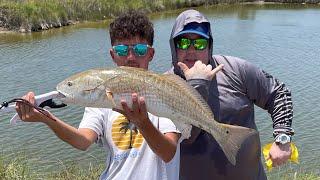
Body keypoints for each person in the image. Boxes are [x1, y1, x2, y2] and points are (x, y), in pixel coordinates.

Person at [15, 10, 184, 180]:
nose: (131, 57)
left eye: (140, 49)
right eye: (122, 49)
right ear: (112, 55)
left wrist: (143, 123)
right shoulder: (100, 98)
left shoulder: (167, 93)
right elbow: (82, 141)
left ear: (151, 54)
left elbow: (168, 153)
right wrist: (46, 118)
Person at [168, 9, 294, 180]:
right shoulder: (164, 85)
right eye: (183, 43)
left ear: (209, 45)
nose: (191, 50)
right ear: (174, 46)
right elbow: (185, 135)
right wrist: (197, 84)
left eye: (199, 44)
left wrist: (282, 138)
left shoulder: (236, 70)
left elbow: (279, 93)